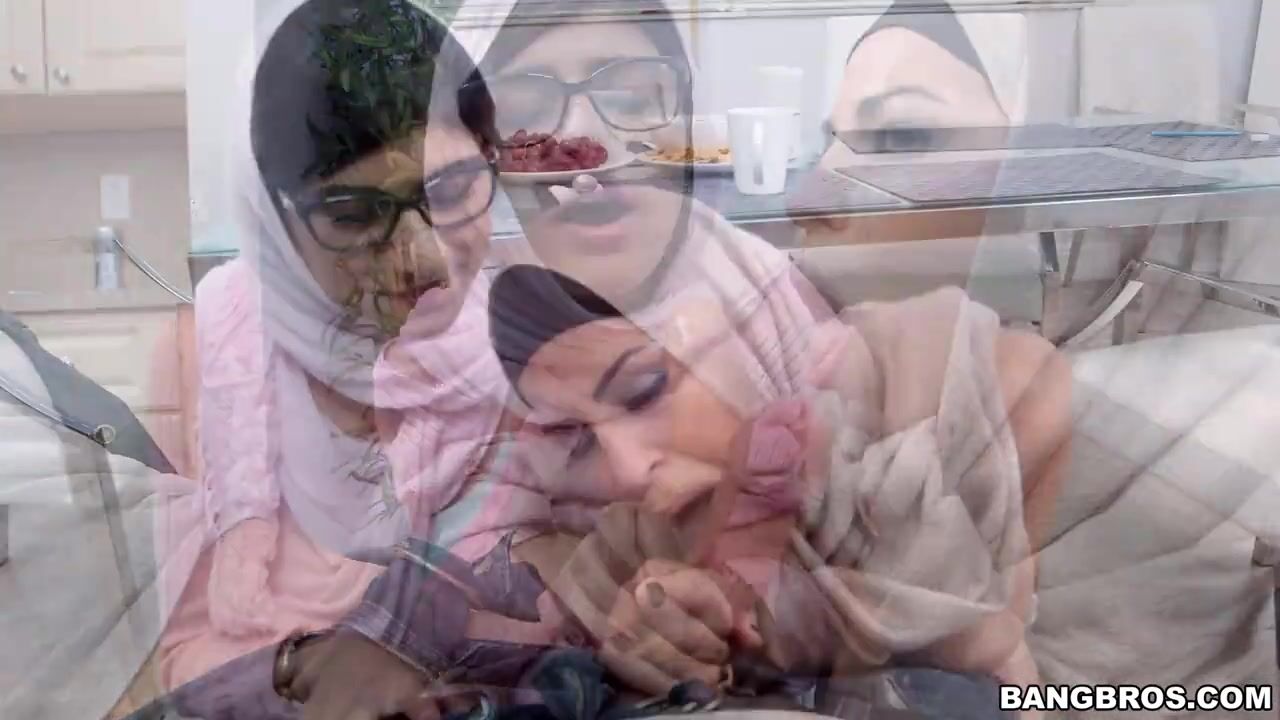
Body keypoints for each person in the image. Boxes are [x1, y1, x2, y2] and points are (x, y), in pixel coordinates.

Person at [155, 0, 506, 690]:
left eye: (453, 188)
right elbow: (179, 660)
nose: (426, 259)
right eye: (354, 215)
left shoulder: (528, 351)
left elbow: (567, 607)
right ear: (274, 217)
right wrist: (305, 669)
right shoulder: (205, 358)